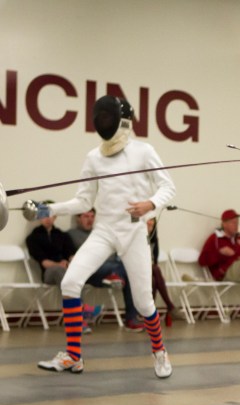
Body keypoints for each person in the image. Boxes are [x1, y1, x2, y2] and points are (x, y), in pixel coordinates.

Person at [35, 95, 175, 378]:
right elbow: (84, 201)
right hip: (104, 230)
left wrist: (150, 205)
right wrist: (50, 209)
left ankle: (159, 351)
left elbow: (168, 188)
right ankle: (74, 356)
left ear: (122, 120)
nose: (103, 122)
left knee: (145, 302)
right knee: (71, 282)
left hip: (134, 232)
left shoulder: (143, 151)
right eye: (100, 118)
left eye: (107, 118)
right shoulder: (94, 157)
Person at [25, 203, 101, 331]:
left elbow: (71, 255)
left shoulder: (62, 235)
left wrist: (72, 263)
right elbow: (43, 262)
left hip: (65, 270)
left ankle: (79, 319)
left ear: (55, 217)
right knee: (61, 271)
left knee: (73, 274)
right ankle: (82, 310)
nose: (47, 218)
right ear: (39, 217)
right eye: (44, 216)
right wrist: (59, 264)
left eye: (50, 215)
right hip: (49, 273)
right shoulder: (33, 238)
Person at [69, 208, 144, 332]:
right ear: (78, 218)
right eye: (86, 216)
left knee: (129, 270)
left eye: (92, 216)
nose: (89, 219)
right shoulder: (71, 235)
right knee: (117, 268)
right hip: (87, 272)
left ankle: (131, 318)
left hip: (105, 272)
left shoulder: (99, 234)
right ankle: (115, 276)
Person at [147, 217, 184, 326]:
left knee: (153, 279)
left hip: (149, 271)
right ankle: (170, 307)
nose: (150, 223)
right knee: (155, 271)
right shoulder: (137, 238)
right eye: (148, 221)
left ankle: (150, 316)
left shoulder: (154, 240)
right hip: (136, 270)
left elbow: (155, 260)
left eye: (152, 222)